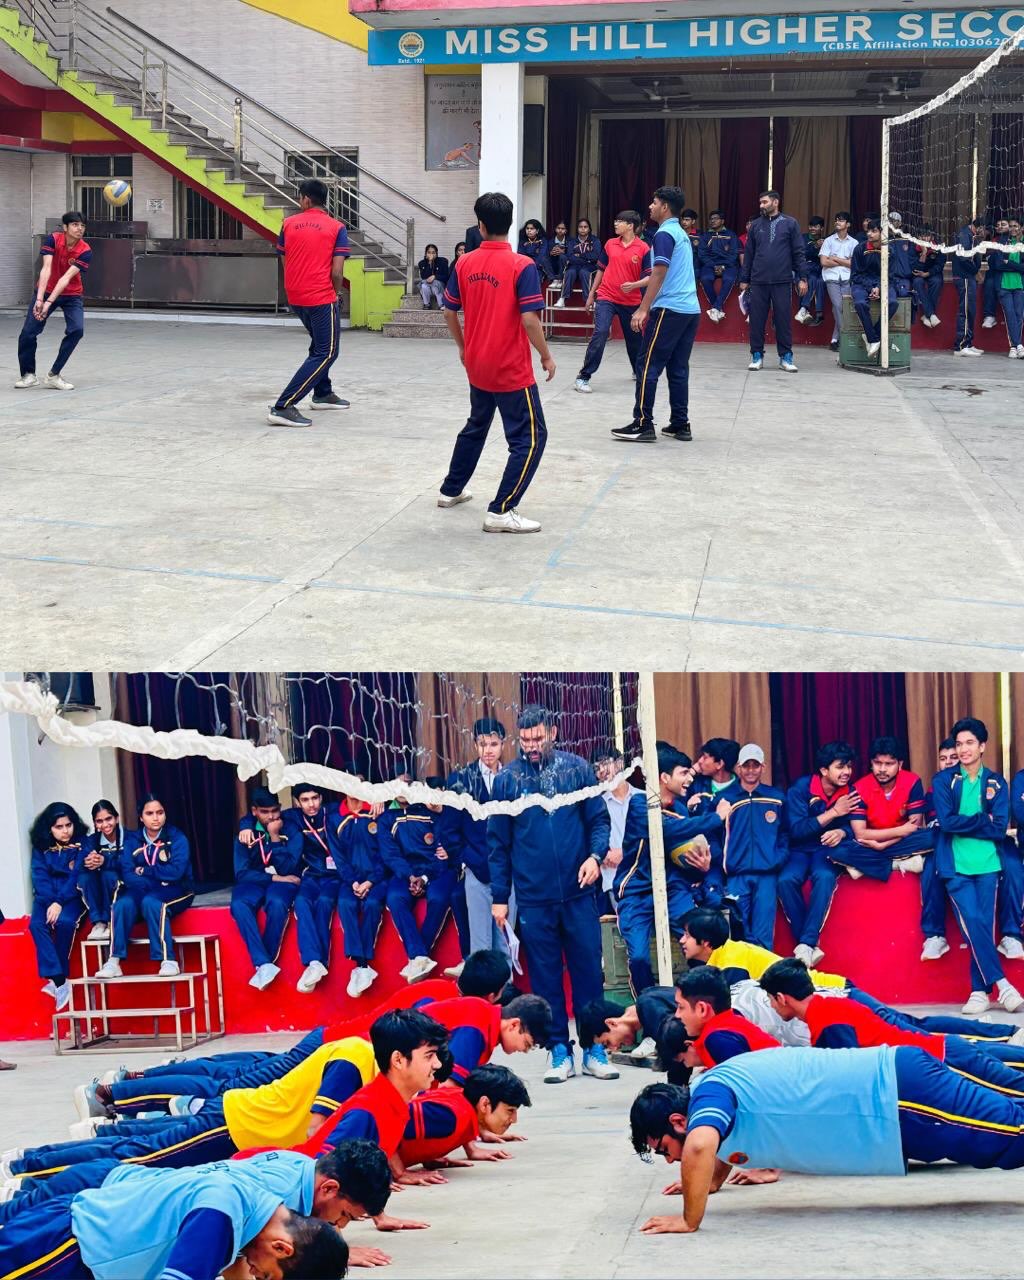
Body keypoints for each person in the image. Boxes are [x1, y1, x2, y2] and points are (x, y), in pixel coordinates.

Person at [630, 1044, 1024, 1236]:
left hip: (897, 1096)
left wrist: (688, 1219)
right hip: (894, 1114)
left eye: (665, 1150)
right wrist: (708, 1182)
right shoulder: (715, 1091)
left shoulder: (710, 1094)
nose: (672, 1161)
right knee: (1009, 1127)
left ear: (679, 1120)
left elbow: (699, 1146)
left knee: (1013, 1136)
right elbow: (712, 1148)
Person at [7, 1034, 378, 1189]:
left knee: (144, 1151)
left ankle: (74, 1141)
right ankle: (24, 1168)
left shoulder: (374, 1068)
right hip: (237, 1125)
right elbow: (317, 1134)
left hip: (241, 1125)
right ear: (400, 1058)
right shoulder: (356, 1059)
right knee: (136, 1158)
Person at [488, 704, 614, 1083]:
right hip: (533, 898)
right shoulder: (507, 780)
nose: (531, 746)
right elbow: (498, 844)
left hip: (579, 893)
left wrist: (595, 857)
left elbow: (599, 821)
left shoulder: (577, 769)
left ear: (553, 733)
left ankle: (594, 1047)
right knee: (545, 980)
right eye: (525, 740)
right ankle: (558, 1049)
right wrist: (500, 896)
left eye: (538, 738)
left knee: (588, 973)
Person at [0, 1161, 348, 1280]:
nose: (256, 1274)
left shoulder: (254, 1203)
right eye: (267, 1276)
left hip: (87, 1254)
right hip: (62, 1248)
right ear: (282, 1248)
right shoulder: (220, 1215)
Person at [438, 190, 554, 535]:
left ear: (481, 225)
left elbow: (448, 311)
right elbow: (530, 319)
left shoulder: (464, 263)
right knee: (531, 438)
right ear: (511, 223)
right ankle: (501, 510)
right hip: (509, 368)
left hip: (477, 363)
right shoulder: (522, 266)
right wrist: (546, 355)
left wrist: (463, 348)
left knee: (477, 424)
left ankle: (451, 489)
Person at [761, 957, 1024, 1095]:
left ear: (782, 998)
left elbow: (846, 1081)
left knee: (1014, 1089)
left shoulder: (828, 1022)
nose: (771, 1006)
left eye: (770, 999)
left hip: (945, 1060)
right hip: (943, 1055)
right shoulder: (828, 1007)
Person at [933, 716, 1024, 1014]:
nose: (963, 749)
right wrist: (982, 820)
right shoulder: (943, 781)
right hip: (956, 865)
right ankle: (1003, 985)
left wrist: (972, 823)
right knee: (973, 920)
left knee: (981, 927)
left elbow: (998, 829)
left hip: (988, 864)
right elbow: (947, 822)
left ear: (982, 746)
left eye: (970, 743)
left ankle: (979, 992)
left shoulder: (996, 782)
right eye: (959, 744)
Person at [616, 743, 712, 996]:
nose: (690, 779)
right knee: (639, 958)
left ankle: (700, 1000)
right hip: (636, 891)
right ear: (664, 777)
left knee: (700, 941)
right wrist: (716, 818)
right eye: (684, 773)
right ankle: (650, 1006)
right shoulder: (639, 804)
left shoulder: (680, 809)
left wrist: (701, 869)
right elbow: (665, 829)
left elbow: (682, 858)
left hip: (673, 889)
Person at [611, 185, 701, 445]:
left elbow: (659, 272)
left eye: (654, 202)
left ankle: (643, 423)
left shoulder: (664, 234)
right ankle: (680, 424)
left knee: (646, 365)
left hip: (669, 309)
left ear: (665, 207)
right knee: (678, 368)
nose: (650, 206)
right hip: (690, 310)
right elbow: (662, 273)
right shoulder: (680, 233)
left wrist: (643, 308)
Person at [268, 178, 350, 427]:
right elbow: (337, 271)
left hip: (296, 295)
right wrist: (335, 293)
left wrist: (295, 281)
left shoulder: (288, 224)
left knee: (318, 344)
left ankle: (323, 393)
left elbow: (284, 258)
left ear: (305, 199)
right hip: (321, 296)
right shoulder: (337, 228)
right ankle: (283, 405)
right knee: (327, 352)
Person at [94, 794, 193, 981]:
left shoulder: (176, 838)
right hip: (145, 888)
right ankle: (113, 961)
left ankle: (168, 960)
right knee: (122, 904)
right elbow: (128, 873)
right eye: (150, 813)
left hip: (177, 889)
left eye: (160, 813)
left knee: (152, 902)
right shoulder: (133, 840)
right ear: (141, 817)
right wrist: (154, 880)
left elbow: (175, 872)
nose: (156, 818)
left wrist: (145, 871)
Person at [778, 741, 860, 965]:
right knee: (785, 880)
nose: (846, 772)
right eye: (840, 767)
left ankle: (806, 944)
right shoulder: (801, 789)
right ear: (824, 770)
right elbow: (796, 830)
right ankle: (807, 943)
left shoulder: (851, 792)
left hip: (827, 850)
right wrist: (833, 813)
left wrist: (842, 833)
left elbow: (858, 827)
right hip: (799, 849)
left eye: (849, 766)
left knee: (824, 877)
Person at [444, 717, 514, 966]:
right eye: (483, 744)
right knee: (481, 946)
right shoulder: (460, 780)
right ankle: (482, 993)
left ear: (503, 744)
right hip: (477, 870)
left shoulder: (513, 778)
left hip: (508, 871)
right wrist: (468, 861)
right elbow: (448, 830)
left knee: (506, 942)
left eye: (493, 744)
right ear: (475, 745)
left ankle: (506, 990)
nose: (488, 750)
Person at [379, 778, 461, 982]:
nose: (401, 790)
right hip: (405, 872)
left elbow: (442, 851)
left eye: (406, 784)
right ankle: (419, 956)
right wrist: (410, 876)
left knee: (439, 897)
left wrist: (425, 877)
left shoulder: (430, 811)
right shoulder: (386, 818)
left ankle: (418, 956)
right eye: (396, 785)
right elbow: (390, 855)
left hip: (437, 870)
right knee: (395, 897)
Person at [231, 786, 303, 992]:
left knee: (277, 903)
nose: (271, 817)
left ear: (280, 807)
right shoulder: (246, 833)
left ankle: (265, 963)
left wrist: (275, 837)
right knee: (239, 904)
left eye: (275, 810)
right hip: (256, 881)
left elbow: (289, 868)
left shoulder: (291, 829)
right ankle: (263, 963)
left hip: (283, 882)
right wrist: (274, 877)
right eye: (264, 812)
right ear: (254, 811)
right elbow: (241, 873)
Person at [715, 744, 787, 949]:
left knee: (763, 935)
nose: (750, 770)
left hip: (767, 875)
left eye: (755, 765)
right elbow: (714, 835)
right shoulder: (725, 798)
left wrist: (778, 859)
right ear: (738, 767)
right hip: (736, 876)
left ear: (763, 767)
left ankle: (763, 971)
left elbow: (785, 834)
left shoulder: (776, 798)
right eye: (746, 765)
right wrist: (724, 862)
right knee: (738, 932)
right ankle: (739, 972)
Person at [396, 1064, 531, 1170]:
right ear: (484, 1104)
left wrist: (428, 1154)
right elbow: (386, 1122)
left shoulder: (464, 1104)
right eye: (510, 1111)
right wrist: (399, 1172)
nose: (514, 1120)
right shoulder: (450, 1116)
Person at [574, 211, 652, 393]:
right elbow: (600, 270)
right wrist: (591, 294)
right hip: (606, 296)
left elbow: (650, 277)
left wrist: (634, 285)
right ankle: (583, 377)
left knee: (634, 340)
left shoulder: (643, 248)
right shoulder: (610, 244)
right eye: (616, 220)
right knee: (600, 332)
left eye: (620, 221)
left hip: (631, 301)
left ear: (630, 225)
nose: (615, 224)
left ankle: (638, 371)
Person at [15, 210, 91, 391]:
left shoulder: (85, 250)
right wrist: (40, 299)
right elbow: (46, 268)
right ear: (65, 227)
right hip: (45, 290)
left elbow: (66, 278)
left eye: (82, 225)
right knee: (28, 333)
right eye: (75, 225)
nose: (79, 229)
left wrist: (48, 303)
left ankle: (54, 375)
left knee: (77, 330)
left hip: (72, 295)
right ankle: (28, 375)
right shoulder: (53, 240)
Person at [27, 801, 89, 1012]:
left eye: (68, 825)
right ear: (49, 828)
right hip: (46, 898)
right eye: (59, 827)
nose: (65, 831)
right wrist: (51, 901)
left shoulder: (83, 843)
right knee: (36, 925)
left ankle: (57, 981)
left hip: (72, 896)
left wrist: (59, 902)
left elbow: (77, 876)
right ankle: (60, 980)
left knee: (65, 923)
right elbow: (39, 876)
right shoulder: (41, 848)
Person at [739, 190, 807, 373]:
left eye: (764, 202)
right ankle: (757, 356)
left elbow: (798, 252)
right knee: (756, 320)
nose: (761, 205)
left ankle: (786, 357)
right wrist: (744, 279)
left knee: (783, 320)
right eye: (760, 202)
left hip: (782, 280)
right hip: (758, 280)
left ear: (775, 202)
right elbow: (749, 254)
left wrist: (803, 278)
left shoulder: (790, 223)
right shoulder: (755, 225)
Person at [329, 789, 389, 998]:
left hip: (378, 878)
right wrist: (354, 882)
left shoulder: (376, 812)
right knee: (346, 903)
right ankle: (362, 966)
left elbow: (385, 852)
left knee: (373, 904)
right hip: (351, 880)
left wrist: (371, 881)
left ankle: (362, 965)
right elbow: (339, 858)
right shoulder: (335, 817)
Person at [849, 736, 933, 873]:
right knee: (840, 851)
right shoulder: (858, 788)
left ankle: (877, 864)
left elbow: (913, 827)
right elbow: (860, 834)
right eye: (877, 763)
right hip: (872, 844)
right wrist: (900, 831)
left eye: (889, 764)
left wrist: (884, 845)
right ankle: (897, 861)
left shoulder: (912, 781)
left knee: (931, 837)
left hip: (898, 841)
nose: (882, 769)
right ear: (871, 763)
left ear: (900, 765)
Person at [921, 736, 959, 960]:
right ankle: (935, 936)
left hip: (969, 842)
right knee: (931, 868)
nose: (948, 762)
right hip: (942, 841)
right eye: (943, 759)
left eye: (953, 757)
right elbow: (933, 821)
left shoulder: (977, 783)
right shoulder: (934, 787)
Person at [592, 742, 642, 912]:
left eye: (605, 763)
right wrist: (602, 854)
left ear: (620, 762)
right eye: (596, 768)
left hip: (646, 876)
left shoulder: (644, 797)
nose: (601, 771)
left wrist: (625, 853)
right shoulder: (597, 805)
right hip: (615, 881)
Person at [850, 221, 898, 359]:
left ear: (883, 232)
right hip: (862, 283)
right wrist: (871, 287)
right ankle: (874, 339)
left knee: (893, 303)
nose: (869, 234)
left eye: (874, 231)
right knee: (860, 304)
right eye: (868, 231)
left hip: (884, 282)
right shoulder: (859, 249)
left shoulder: (890, 250)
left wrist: (879, 287)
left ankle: (871, 335)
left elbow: (891, 275)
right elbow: (855, 275)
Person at [79, 800, 124, 943]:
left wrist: (105, 861)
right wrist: (88, 861)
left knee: (108, 875)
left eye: (108, 819)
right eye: (99, 821)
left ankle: (109, 920)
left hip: (123, 886)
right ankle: (98, 922)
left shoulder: (129, 838)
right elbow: (80, 862)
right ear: (95, 823)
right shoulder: (92, 840)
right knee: (85, 877)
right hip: (101, 888)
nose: (105, 824)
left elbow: (129, 864)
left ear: (117, 818)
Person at [819, 211, 858, 351]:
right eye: (836, 220)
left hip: (847, 279)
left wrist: (835, 258)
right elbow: (824, 262)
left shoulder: (854, 242)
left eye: (841, 220)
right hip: (832, 278)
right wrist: (844, 261)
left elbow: (854, 264)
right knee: (838, 306)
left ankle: (835, 339)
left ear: (848, 224)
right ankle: (845, 337)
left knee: (843, 308)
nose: (837, 222)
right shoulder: (829, 241)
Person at [989, 221, 1024, 358]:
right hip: (1003, 285)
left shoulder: (1022, 243)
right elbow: (997, 265)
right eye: (1011, 226)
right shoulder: (1002, 242)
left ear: (1021, 228)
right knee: (1010, 315)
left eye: (1016, 226)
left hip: (1020, 285)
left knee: (1019, 315)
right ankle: (1018, 345)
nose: (1013, 228)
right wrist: (1017, 267)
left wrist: (1009, 263)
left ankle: (1014, 347)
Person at [697, 210, 740, 323]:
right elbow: (702, 254)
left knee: (729, 279)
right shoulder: (705, 236)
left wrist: (723, 266)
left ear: (722, 221)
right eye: (711, 219)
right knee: (706, 278)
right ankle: (717, 308)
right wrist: (714, 266)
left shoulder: (731, 235)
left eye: (715, 218)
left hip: (728, 265)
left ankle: (715, 308)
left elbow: (734, 254)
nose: (712, 221)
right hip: (710, 265)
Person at [953, 213, 985, 356]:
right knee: (965, 311)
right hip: (964, 277)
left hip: (969, 277)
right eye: (984, 230)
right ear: (979, 227)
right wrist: (976, 272)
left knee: (970, 310)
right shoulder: (964, 235)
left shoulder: (972, 236)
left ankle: (968, 343)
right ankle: (961, 346)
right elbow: (964, 257)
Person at [555, 217, 600, 307]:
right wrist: (586, 257)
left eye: (585, 227)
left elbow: (595, 256)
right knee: (569, 272)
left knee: (584, 272)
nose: (583, 229)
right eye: (580, 227)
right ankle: (562, 298)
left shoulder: (595, 241)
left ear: (589, 229)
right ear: (577, 228)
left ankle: (589, 299)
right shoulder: (572, 242)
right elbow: (570, 257)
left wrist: (579, 255)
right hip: (575, 265)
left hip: (590, 266)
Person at [794, 215, 826, 326]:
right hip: (803, 269)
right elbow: (800, 256)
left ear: (822, 228)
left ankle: (810, 311)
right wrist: (815, 247)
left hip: (817, 271)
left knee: (816, 280)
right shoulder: (802, 238)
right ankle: (804, 309)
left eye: (816, 226)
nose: (812, 228)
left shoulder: (825, 241)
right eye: (811, 226)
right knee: (811, 278)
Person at [912, 226, 945, 329]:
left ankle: (927, 315)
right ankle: (931, 314)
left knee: (937, 281)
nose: (924, 238)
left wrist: (928, 273)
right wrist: (924, 253)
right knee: (917, 282)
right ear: (918, 237)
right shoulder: (913, 247)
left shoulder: (938, 247)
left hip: (932, 273)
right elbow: (915, 269)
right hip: (918, 274)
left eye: (927, 235)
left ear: (932, 237)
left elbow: (940, 265)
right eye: (922, 236)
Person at [982, 216, 1009, 329]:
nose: (1000, 227)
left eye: (1003, 224)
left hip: (1012, 272)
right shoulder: (993, 240)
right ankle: (989, 316)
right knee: (989, 282)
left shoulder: (1015, 240)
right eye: (998, 225)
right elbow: (990, 259)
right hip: (995, 272)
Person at [517, 220, 553, 284]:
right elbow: (521, 255)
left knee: (537, 277)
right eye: (527, 228)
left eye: (532, 229)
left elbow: (541, 256)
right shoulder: (523, 241)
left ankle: (551, 278)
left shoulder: (542, 240)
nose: (529, 230)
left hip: (538, 267)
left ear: (537, 231)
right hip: (526, 266)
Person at [417, 243, 449, 309]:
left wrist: (435, 277)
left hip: (439, 287)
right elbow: (424, 276)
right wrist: (430, 263)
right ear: (426, 254)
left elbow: (446, 276)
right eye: (429, 252)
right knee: (423, 285)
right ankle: (426, 304)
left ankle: (441, 304)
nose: (431, 254)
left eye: (433, 252)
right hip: (428, 286)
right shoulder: (422, 263)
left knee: (435, 283)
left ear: (436, 253)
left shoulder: (442, 262)